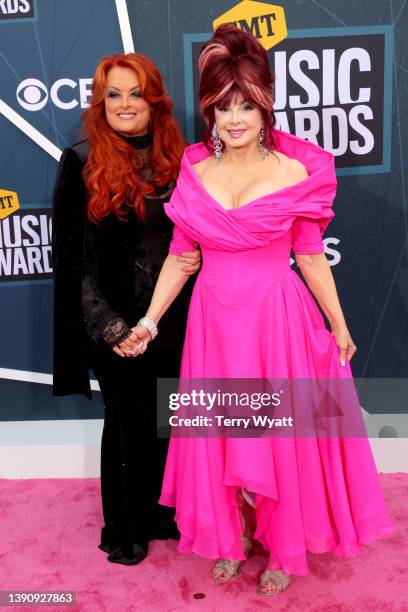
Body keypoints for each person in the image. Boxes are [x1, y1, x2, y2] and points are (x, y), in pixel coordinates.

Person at [127, 24, 395, 595]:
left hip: (277, 321)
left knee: (279, 439)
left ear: (266, 107)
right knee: (220, 434)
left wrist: (340, 324)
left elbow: (310, 255)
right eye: (224, 107)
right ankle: (230, 537)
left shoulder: (296, 172)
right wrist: (150, 321)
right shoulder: (195, 173)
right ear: (211, 113)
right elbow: (180, 259)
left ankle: (282, 546)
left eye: (248, 105)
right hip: (213, 325)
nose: (236, 118)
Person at [52, 53, 200, 565]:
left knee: (168, 417)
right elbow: (71, 261)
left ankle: (161, 510)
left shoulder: (181, 160)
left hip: (174, 317)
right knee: (124, 420)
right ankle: (124, 525)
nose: (124, 104)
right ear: (100, 101)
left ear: (154, 98)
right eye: (113, 94)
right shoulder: (81, 159)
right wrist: (113, 328)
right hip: (113, 321)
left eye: (135, 92)